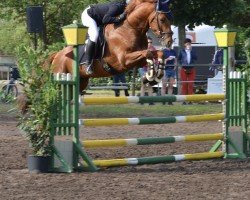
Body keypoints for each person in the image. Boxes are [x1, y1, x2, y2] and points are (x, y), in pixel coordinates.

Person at [81, 0, 127, 74]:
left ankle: (103, 61)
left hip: (98, 20)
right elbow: (106, 19)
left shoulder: (122, 7)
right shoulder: (116, 7)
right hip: (88, 15)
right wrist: (119, 19)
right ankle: (88, 63)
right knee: (94, 35)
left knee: (104, 37)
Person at [178, 38, 197, 104]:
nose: (188, 45)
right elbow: (179, 59)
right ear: (184, 44)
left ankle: (190, 100)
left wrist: (191, 50)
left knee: (190, 84)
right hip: (184, 69)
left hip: (191, 69)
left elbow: (196, 58)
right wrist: (182, 65)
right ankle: (184, 100)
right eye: (187, 44)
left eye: (189, 43)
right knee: (184, 84)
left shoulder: (193, 51)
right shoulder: (182, 51)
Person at [138, 36, 156, 105]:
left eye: (151, 42)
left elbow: (156, 60)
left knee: (150, 85)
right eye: (148, 42)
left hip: (150, 69)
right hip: (143, 68)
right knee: (144, 84)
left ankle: (150, 101)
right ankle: (142, 101)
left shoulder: (153, 49)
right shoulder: (143, 49)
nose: (150, 44)